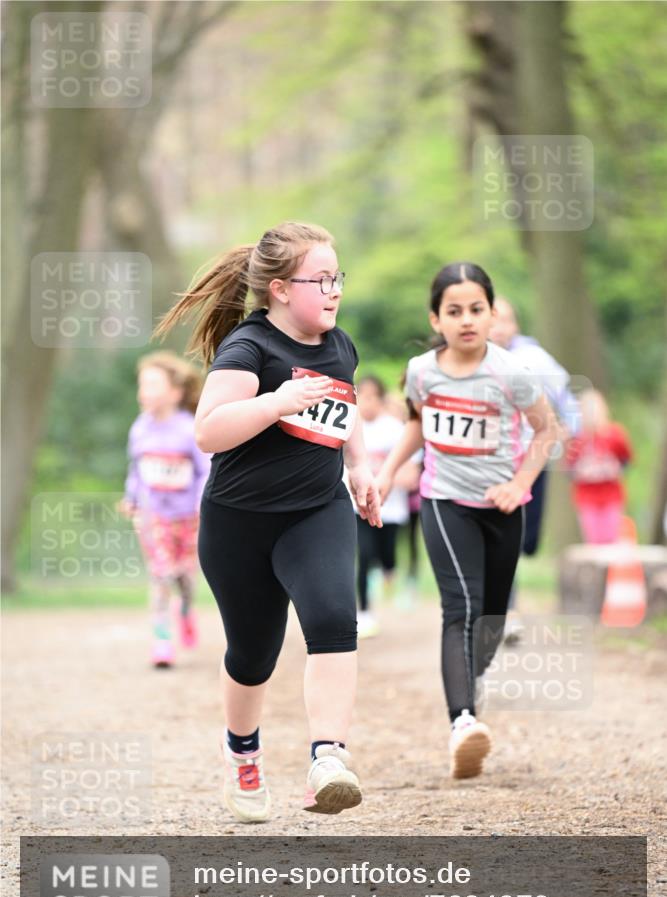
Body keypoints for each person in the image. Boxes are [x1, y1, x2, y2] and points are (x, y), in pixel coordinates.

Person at [153, 222, 382, 822]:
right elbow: (208, 431)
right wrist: (276, 402)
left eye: (338, 278)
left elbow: (346, 404)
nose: (334, 291)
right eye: (321, 280)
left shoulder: (339, 344)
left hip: (317, 510)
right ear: (280, 289)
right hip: (240, 524)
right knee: (255, 653)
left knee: (334, 618)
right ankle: (243, 753)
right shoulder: (248, 350)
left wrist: (359, 466)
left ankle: (328, 757)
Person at [378, 263, 558, 780]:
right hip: (444, 500)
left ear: (492, 313)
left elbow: (547, 431)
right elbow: (417, 424)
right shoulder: (422, 371)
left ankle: (466, 681)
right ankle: (463, 722)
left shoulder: (511, 372)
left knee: (492, 621)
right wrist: (391, 471)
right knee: (461, 606)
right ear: (436, 318)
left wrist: (520, 484)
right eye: (454, 311)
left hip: (502, 508)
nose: (466, 320)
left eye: (476, 309)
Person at [489, 297, 579, 641]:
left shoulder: (535, 359)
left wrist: (572, 429)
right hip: (495, 462)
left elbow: (566, 398)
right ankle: (507, 610)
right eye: (494, 320)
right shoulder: (470, 360)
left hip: (534, 458)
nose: (499, 327)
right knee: (504, 531)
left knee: (528, 541)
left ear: (516, 326)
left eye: (507, 321)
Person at [119, 351, 210, 669]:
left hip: (188, 516)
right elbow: (136, 469)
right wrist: (131, 497)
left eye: (153, 385)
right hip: (153, 514)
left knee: (184, 577)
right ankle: (162, 641)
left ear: (176, 392)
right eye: (142, 385)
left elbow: (205, 471)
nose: (145, 392)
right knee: (160, 575)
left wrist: (202, 505)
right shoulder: (139, 428)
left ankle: (185, 610)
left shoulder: (189, 429)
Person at [350, 376, 420, 638]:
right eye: (362, 397)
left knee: (387, 556)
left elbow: (411, 474)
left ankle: (389, 570)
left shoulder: (394, 429)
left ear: (381, 399)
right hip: (358, 507)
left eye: (372, 397)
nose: (367, 404)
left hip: (391, 509)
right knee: (364, 555)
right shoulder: (349, 425)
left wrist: (384, 476)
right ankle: (364, 612)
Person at [565, 388, 632, 543]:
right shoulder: (577, 439)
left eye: (594, 410)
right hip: (586, 496)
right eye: (587, 410)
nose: (591, 415)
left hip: (612, 494)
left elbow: (626, 460)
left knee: (611, 539)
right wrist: (582, 471)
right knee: (593, 540)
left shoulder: (615, 434)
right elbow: (569, 469)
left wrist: (613, 468)